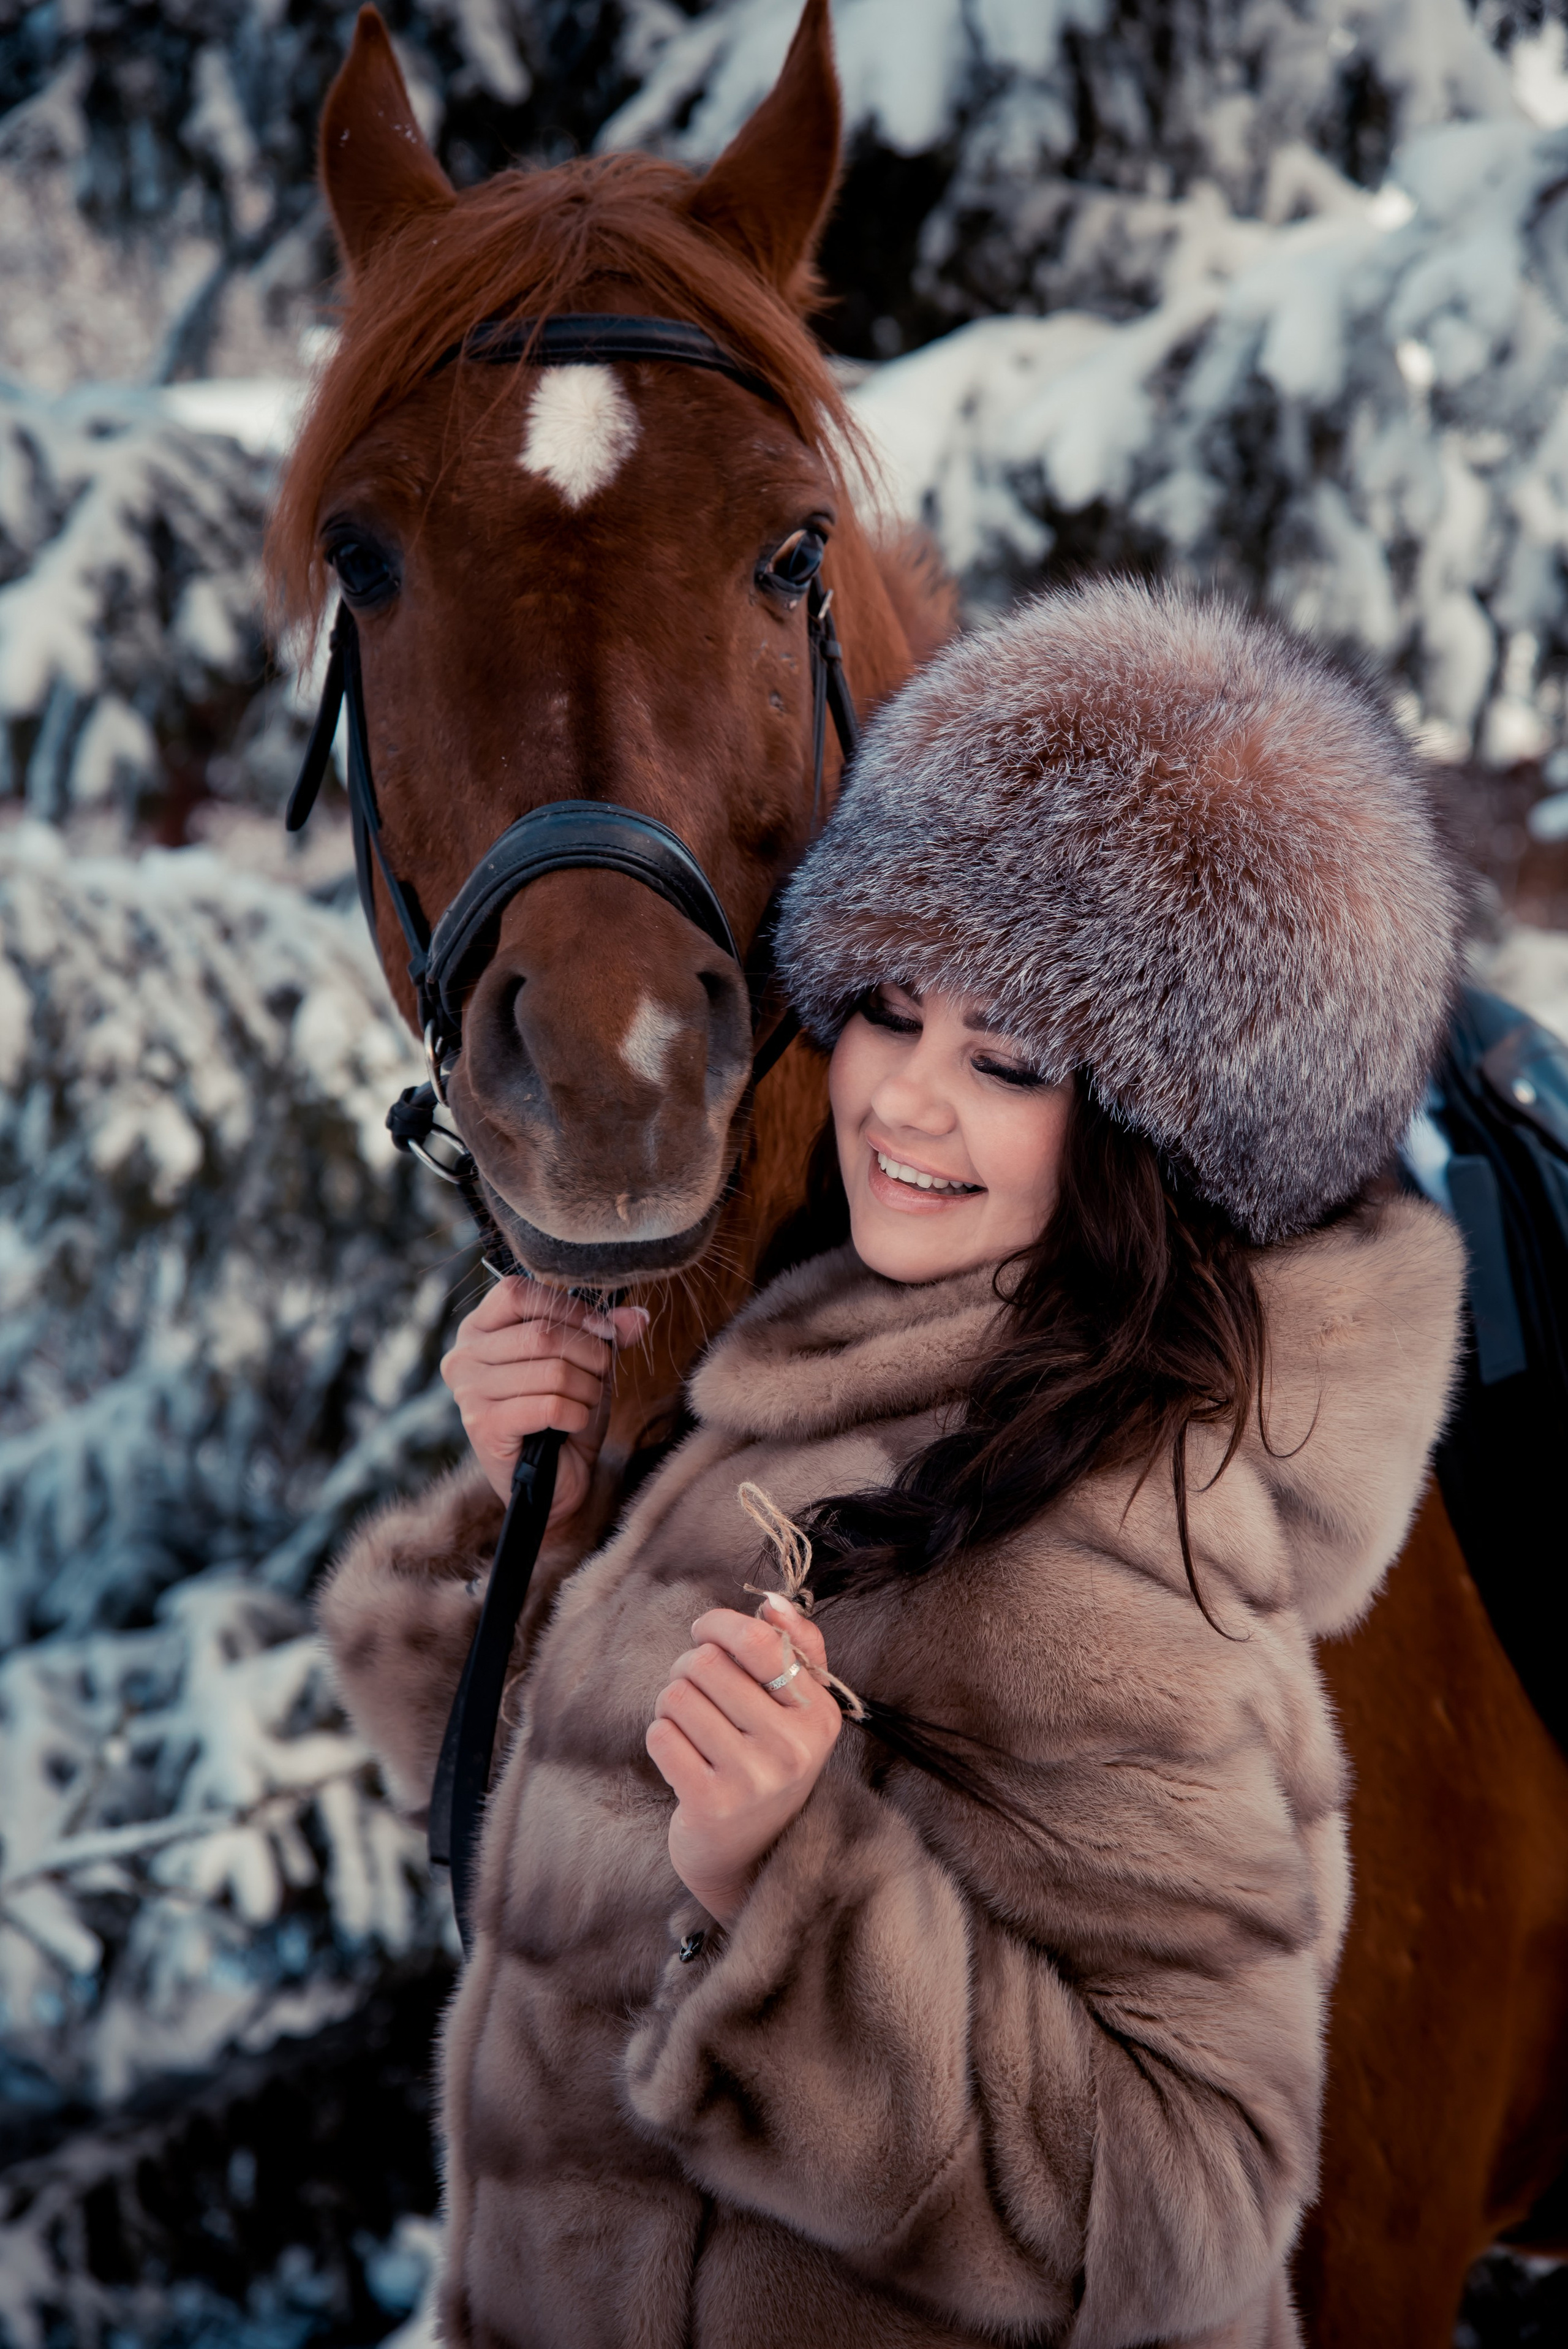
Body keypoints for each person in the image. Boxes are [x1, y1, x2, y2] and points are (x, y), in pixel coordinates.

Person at [320, 579, 1466, 2348]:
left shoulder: (1115, 1546)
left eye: (1005, 1058)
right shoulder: (835, 1383)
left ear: (1144, 1142)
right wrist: (527, 1508)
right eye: (888, 1006)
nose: (904, 1100)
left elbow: (1198, 2195)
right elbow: (569, 1877)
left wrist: (797, 1888)